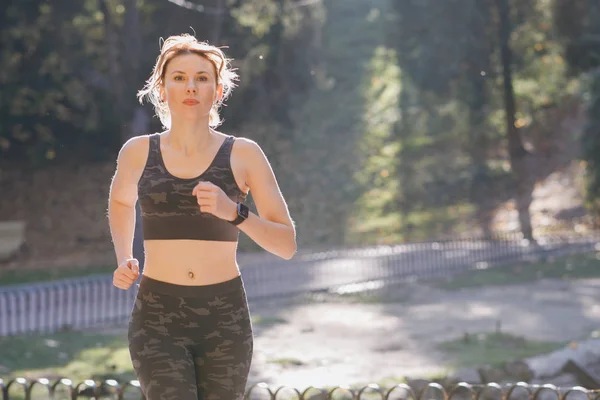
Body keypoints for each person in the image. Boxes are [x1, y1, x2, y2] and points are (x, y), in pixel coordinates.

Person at [108, 33, 297, 400]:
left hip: (224, 316)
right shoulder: (137, 152)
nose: (190, 86)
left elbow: (287, 245)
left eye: (202, 77)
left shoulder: (244, 155)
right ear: (161, 89)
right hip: (158, 317)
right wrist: (123, 257)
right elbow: (120, 202)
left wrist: (236, 213)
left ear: (218, 90)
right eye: (178, 77)